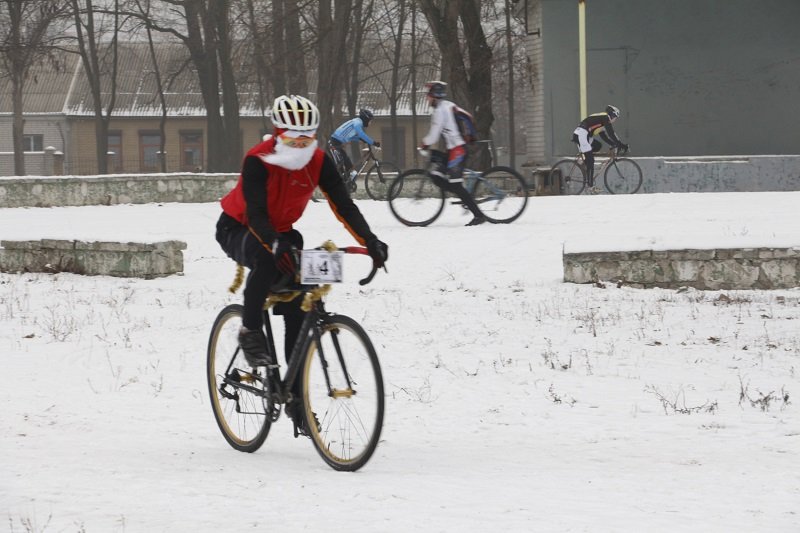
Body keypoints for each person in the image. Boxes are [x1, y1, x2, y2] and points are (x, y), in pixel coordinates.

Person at [215, 94, 388, 436]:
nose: (302, 143)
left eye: (308, 136)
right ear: (279, 133)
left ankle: (294, 398)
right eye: (295, 137)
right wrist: (273, 242)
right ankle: (250, 331)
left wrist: (370, 240)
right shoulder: (258, 160)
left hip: (283, 232)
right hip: (240, 226)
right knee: (267, 258)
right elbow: (257, 212)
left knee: (300, 294)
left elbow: (344, 205)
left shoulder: (319, 160)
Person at [419, 81, 487, 226]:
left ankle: (478, 215)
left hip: (458, 150)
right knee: (436, 175)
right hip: (453, 149)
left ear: (434, 96)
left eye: (428, 95)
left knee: (456, 185)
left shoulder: (440, 111)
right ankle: (463, 195)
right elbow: (467, 115)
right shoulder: (448, 105)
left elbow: (434, 135)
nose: (427, 98)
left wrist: (424, 143)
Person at [572, 105, 629, 187]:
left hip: (585, 135)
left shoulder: (602, 121)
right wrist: (620, 145)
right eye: (616, 117)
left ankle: (585, 160)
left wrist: (613, 144)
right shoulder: (605, 117)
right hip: (581, 134)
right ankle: (590, 186)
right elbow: (611, 133)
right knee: (591, 160)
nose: (615, 119)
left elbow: (604, 136)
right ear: (612, 115)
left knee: (598, 146)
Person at [328, 108, 380, 186]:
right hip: (334, 143)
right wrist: (373, 142)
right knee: (341, 163)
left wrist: (361, 139)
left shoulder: (355, 122)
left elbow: (350, 137)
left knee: (346, 162)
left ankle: (347, 183)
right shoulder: (358, 123)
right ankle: (338, 185)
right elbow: (361, 134)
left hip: (337, 143)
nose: (370, 123)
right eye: (370, 121)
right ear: (366, 119)